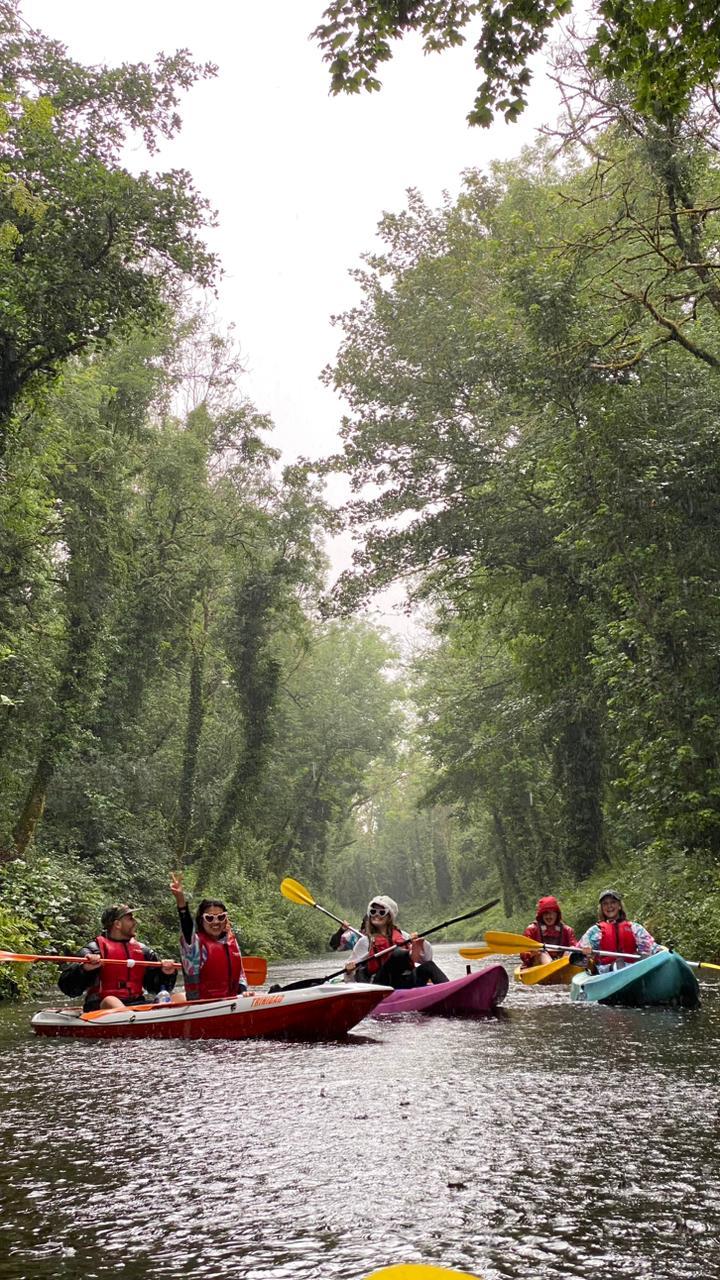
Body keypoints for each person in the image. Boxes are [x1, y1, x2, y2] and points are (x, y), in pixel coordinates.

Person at [57, 905, 178, 1011]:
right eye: (130, 918)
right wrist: (84, 969)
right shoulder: (93, 950)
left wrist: (166, 973)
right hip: (101, 1006)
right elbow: (69, 989)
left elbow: (157, 988)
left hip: (136, 1003)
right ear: (117, 924)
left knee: (179, 997)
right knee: (111, 1000)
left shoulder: (143, 951)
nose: (135, 922)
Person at [170, 872, 248, 1000]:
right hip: (203, 1005)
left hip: (234, 1002)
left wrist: (244, 993)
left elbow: (240, 975)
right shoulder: (194, 944)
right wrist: (181, 901)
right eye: (210, 918)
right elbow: (187, 928)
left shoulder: (231, 941)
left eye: (221, 917)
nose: (216, 922)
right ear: (201, 920)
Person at [344, 895, 449, 989]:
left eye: (381, 912)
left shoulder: (403, 936)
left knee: (429, 966)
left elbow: (427, 958)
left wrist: (419, 943)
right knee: (397, 953)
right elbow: (350, 976)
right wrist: (349, 971)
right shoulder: (365, 941)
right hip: (380, 985)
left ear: (389, 916)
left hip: (403, 981)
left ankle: (449, 990)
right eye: (373, 911)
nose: (376, 915)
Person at [578, 889, 661, 971]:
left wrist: (661, 951)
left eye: (613, 902)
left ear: (619, 906)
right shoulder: (595, 931)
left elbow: (649, 947)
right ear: (602, 908)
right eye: (605, 904)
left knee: (641, 959)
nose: (609, 906)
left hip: (632, 968)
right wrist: (585, 952)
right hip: (605, 972)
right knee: (617, 966)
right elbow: (578, 952)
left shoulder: (634, 928)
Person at [519, 895, 578, 969]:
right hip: (538, 965)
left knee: (571, 950)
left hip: (562, 963)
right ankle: (553, 969)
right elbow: (523, 953)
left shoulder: (567, 930)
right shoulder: (532, 929)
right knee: (542, 953)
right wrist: (531, 953)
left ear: (557, 914)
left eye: (551, 913)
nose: (549, 917)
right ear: (541, 915)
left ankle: (559, 969)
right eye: (546, 913)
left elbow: (576, 947)